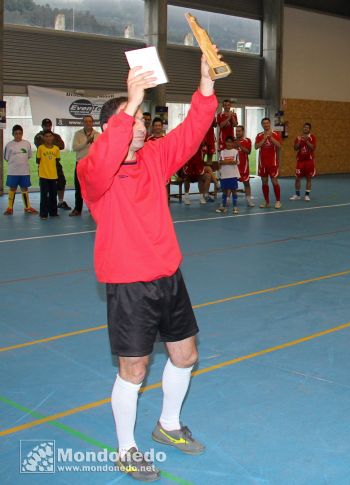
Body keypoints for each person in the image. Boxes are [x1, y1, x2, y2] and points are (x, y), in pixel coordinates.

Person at [77, 52, 219, 481]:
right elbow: (104, 161)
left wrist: (206, 84)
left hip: (168, 276)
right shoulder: (93, 171)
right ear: (111, 128)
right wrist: (131, 102)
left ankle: (168, 425)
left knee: (186, 354)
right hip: (128, 283)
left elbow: (192, 131)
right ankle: (126, 448)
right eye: (133, 118)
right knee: (134, 369)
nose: (142, 123)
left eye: (140, 117)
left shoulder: (155, 158)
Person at [34, 118, 70, 210]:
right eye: (45, 125)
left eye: (49, 125)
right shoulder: (38, 136)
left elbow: (62, 145)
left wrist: (48, 141)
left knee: (61, 181)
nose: (47, 127)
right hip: (44, 164)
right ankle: (46, 203)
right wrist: (52, 142)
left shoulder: (56, 135)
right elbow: (40, 145)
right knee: (45, 185)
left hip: (55, 163)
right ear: (42, 126)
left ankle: (60, 202)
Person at [3, 125, 38, 215]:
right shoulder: (9, 145)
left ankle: (27, 207)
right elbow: (6, 158)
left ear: (22, 134)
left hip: (24, 171)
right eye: (16, 134)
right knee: (12, 188)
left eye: (20, 133)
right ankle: (10, 208)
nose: (18, 135)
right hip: (13, 172)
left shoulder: (26, 143)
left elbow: (29, 155)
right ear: (13, 134)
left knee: (24, 188)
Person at [70, 115, 100, 216]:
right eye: (86, 121)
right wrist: (86, 142)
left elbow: (100, 149)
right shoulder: (77, 134)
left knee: (93, 188)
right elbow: (75, 148)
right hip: (80, 164)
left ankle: (93, 208)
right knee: (78, 187)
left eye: (89, 121)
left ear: (92, 123)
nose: (88, 123)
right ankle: (78, 209)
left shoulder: (97, 134)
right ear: (83, 123)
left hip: (92, 164)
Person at [255, 117, 282, 209]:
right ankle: (266, 201)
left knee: (274, 182)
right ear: (262, 125)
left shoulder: (275, 134)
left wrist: (270, 138)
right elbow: (256, 146)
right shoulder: (259, 135)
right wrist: (263, 139)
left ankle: (278, 201)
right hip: (263, 163)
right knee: (264, 182)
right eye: (264, 123)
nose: (266, 125)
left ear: (269, 124)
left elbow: (279, 145)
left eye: (267, 123)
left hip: (272, 163)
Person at [36, 130, 61, 220]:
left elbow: (57, 160)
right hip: (43, 176)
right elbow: (38, 160)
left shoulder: (56, 149)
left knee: (53, 195)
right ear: (43, 138)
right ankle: (43, 213)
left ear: (53, 137)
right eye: (46, 136)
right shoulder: (40, 148)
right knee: (44, 195)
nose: (48, 138)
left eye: (50, 136)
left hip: (53, 176)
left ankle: (53, 212)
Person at [290, 122, 316, 201]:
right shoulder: (298, 137)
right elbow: (295, 148)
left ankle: (307, 195)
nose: (305, 129)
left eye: (307, 128)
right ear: (303, 128)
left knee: (309, 178)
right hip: (300, 161)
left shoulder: (312, 137)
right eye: (304, 127)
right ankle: (297, 195)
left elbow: (313, 148)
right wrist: (300, 141)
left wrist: (307, 141)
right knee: (297, 178)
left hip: (309, 161)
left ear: (309, 129)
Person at [216, 136, 240, 214]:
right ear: (225, 143)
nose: (229, 144)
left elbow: (235, 162)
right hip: (224, 174)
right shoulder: (222, 152)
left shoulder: (235, 151)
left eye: (230, 142)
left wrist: (225, 161)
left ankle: (235, 207)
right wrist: (230, 161)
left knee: (234, 191)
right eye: (227, 142)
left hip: (233, 174)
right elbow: (220, 162)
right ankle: (224, 206)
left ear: (233, 143)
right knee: (224, 192)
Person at [234, 125, 254, 207]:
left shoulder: (247, 140)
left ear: (243, 132)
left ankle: (249, 200)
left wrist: (240, 146)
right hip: (234, 166)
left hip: (244, 166)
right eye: (236, 131)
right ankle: (230, 200)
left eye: (239, 131)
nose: (237, 133)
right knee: (232, 184)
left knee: (246, 183)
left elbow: (248, 152)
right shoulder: (232, 141)